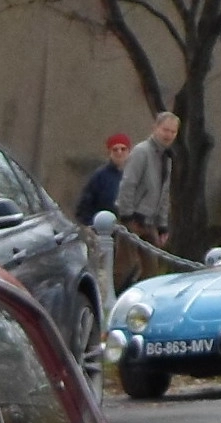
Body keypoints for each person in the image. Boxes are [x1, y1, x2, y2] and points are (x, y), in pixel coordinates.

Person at [113, 113, 180, 292]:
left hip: (150, 221)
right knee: (125, 267)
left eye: (173, 132)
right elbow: (128, 183)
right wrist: (127, 215)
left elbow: (163, 192)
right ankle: (115, 301)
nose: (168, 135)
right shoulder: (141, 151)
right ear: (155, 128)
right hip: (133, 217)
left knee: (151, 269)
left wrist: (163, 225)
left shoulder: (167, 157)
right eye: (165, 130)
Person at [74, 134, 132, 226]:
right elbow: (83, 208)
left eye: (123, 149)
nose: (119, 152)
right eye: (115, 149)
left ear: (129, 151)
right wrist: (93, 225)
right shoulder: (99, 176)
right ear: (109, 152)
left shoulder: (137, 174)